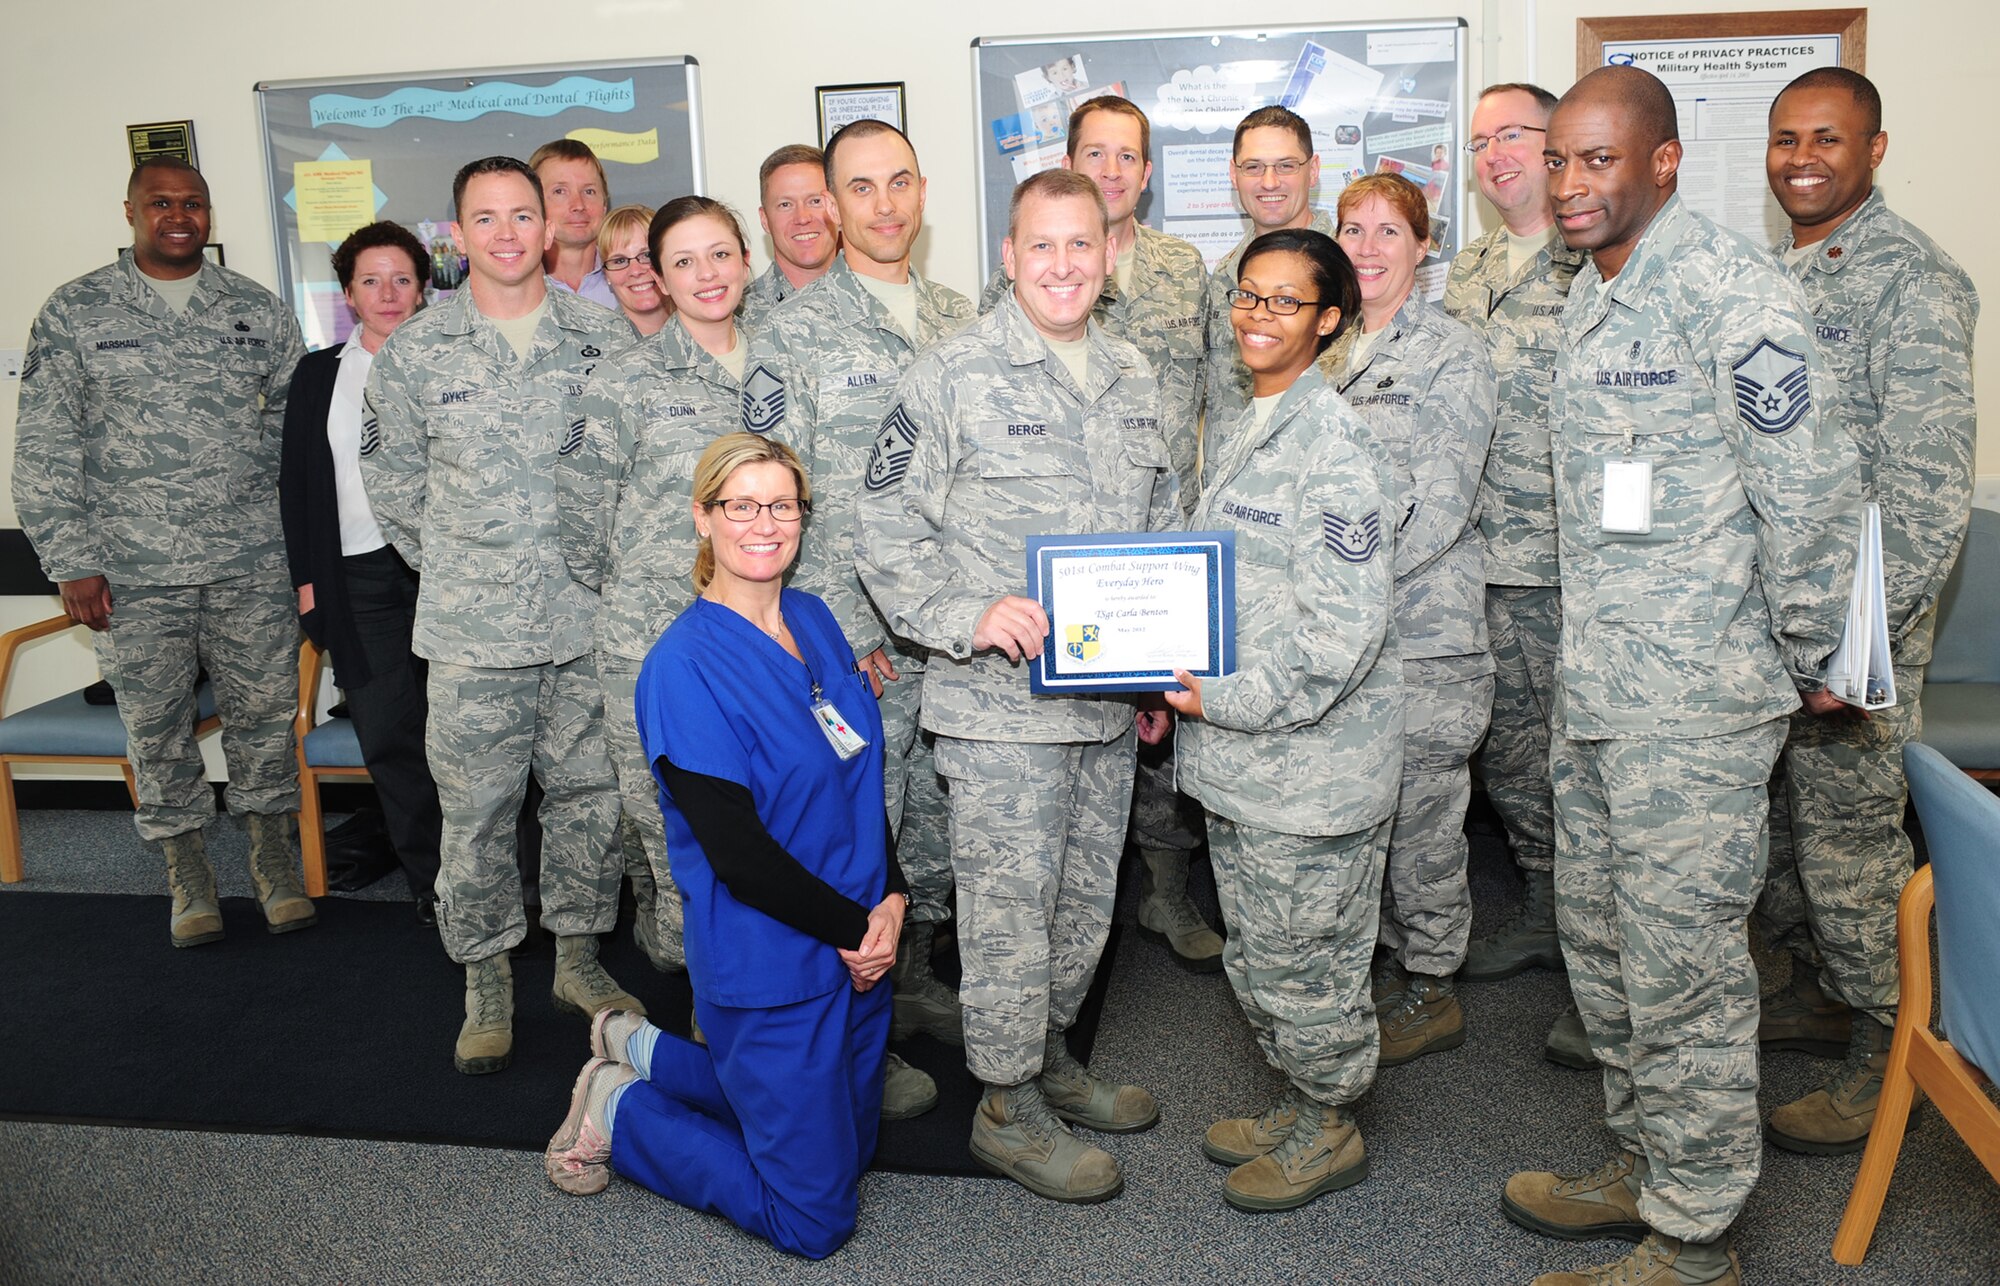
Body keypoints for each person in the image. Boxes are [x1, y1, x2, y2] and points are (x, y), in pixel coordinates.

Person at [1501, 67, 1860, 1285]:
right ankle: (1641, 1162)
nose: (1569, 184)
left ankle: (1693, 1236)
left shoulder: (1727, 294)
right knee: (1600, 949)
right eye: (1555, 160)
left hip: (1695, 709)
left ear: (1660, 163)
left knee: (1685, 975)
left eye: (1595, 160)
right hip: (1599, 691)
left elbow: (1808, 494)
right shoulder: (1592, 295)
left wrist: (1815, 652)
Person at [855, 168, 1179, 1203]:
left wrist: (1160, 666)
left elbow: (1164, 533)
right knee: (1007, 912)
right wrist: (966, 615)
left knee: (1084, 904)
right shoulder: (948, 376)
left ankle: (1045, 1057)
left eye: (1080, 245)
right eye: (1040, 246)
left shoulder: (1135, 375)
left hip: (1101, 701)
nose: (1062, 265)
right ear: (1006, 256)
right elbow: (881, 527)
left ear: (1108, 252)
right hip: (996, 708)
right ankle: (1002, 1102)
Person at [544, 433, 918, 1259]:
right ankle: (620, 1105)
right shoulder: (682, 668)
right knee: (815, 1219)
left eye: (780, 504)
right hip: (775, 962)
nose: (763, 523)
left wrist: (892, 898)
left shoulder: (816, 620)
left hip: (861, 944)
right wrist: (860, 930)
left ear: (802, 517)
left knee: (851, 1157)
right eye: (739, 505)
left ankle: (637, 1045)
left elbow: (861, 772)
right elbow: (740, 857)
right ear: (702, 518)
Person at [364, 155, 638, 1075]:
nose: (510, 233)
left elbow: (633, 479)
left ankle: (576, 958)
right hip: (473, 633)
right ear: (459, 236)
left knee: (589, 799)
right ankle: (485, 978)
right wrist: (465, 568)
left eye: (524, 214)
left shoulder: (606, 343)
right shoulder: (415, 353)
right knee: (475, 813)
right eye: (487, 219)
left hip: (584, 620)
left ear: (551, 226)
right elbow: (394, 487)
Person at [1755, 67, 1979, 1155]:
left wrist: (1853, 649)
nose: (1802, 156)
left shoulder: (1909, 281)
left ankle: (1885, 1052)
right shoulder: (1768, 273)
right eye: (1785, 137)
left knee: (1849, 848)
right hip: (1768, 625)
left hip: (1853, 640)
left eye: (1827, 139)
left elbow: (1927, 492)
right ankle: (1821, 997)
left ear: (1873, 150)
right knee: (1786, 838)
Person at [14, 157, 312, 947]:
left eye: (193, 203)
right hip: (133, 571)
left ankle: (273, 864)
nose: (178, 215)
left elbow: (297, 438)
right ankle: (188, 877)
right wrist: (70, 559)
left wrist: (300, 547)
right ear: (130, 211)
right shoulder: (77, 310)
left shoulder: (254, 308)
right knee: (157, 728)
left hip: (251, 561)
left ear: (209, 214)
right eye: (160, 203)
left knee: (264, 720)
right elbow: (46, 443)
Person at [1169, 228, 1403, 1212]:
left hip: (1309, 767)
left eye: (1284, 302)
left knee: (1309, 963)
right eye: (1247, 296)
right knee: (1260, 953)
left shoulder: (1334, 444)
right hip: (1237, 759)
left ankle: (1329, 1121)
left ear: (1328, 320)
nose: (1258, 316)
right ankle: (1298, 1091)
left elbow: (1338, 635)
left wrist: (1214, 696)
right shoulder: (1238, 418)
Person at [976, 93, 1218, 971]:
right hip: (1024, 639)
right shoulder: (979, 341)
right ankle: (1013, 1074)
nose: (1064, 264)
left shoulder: (1163, 310)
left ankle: (1155, 900)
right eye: (1043, 246)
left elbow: (1196, 431)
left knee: (1092, 885)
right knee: (1022, 892)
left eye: (1126, 156)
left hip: (1133, 604)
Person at [765, 120, 974, 1046]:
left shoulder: (965, 321)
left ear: (922, 191)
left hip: (957, 628)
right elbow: (773, 499)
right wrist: (832, 642)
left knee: (934, 814)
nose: (884, 205)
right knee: (856, 824)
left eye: (899, 183)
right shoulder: (789, 333)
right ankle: (853, 1021)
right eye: (861, 188)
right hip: (857, 643)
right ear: (833, 205)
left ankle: (915, 970)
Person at [568, 196, 785, 977]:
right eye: (683, 261)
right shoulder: (621, 383)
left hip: (767, 640)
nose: (706, 275)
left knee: (768, 818)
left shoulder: (784, 366)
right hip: (656, 644)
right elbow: (580, 521)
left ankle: (757, 983)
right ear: (656, 277)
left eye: (720, 254)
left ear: (746, 259)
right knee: (674, 830)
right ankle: (707, 996)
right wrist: (653, 590)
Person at [1323, 172, 1497, 1068]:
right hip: (1346, 643)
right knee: (1368, 807)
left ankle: (1432, 980)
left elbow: (1441, 503)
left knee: (1426, 816)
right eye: (1352, 230)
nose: (1367, 249)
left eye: (1388, 232)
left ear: (1423, 247)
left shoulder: (1454, 354)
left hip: (1425, 633)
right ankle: (1394, 959)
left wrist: (1334, 581)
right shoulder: (1324, 351)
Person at [1441, 83, 1594, 1069]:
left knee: (1581, 769)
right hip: (1477, 558)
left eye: (1514, 134)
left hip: (1568, 566)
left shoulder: (1593, 261)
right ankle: (1541, 905)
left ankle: (1601, 977)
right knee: (1505, 755)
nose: (1496, 152)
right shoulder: (1465, 270)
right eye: (1481, 138)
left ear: (1555, 149)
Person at [279, 220, 444, 926]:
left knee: (472, 739)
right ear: (347, 293)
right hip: (359, 577)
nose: (387, 293)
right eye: (370, 280)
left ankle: (497, 879)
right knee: (391, 736)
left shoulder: (453, 368)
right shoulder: (318, 375)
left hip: (448, 575)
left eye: (402, 278)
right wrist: (310, 584)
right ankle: (431, 885)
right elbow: (298, 484)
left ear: (423, 288)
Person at [1203, 106, 1334, 429]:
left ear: (1313, 170)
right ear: (1233, 174)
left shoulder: (1350, 268)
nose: (1270, 182)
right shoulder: (1225, 275)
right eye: (1253, 167)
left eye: (1286, 166)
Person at [743, 144, 840, 323]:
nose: (802, 218)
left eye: (815, 201)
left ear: (836, 208)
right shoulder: (738, 318)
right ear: (764, 219)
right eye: (785, 205)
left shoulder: (875, 299)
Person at [530, 139, 617, 309]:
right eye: (560, 191)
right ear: (534, 204)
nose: (578, 205)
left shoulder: (635, 282)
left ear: (604, 205)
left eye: (589, 191)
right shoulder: (513, 287)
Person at [595, 204, 668, 336]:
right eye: (619, 261)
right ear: (606, 275)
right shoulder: (596, 347)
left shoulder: (706, 330)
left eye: (647, 255)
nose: (635, 271)